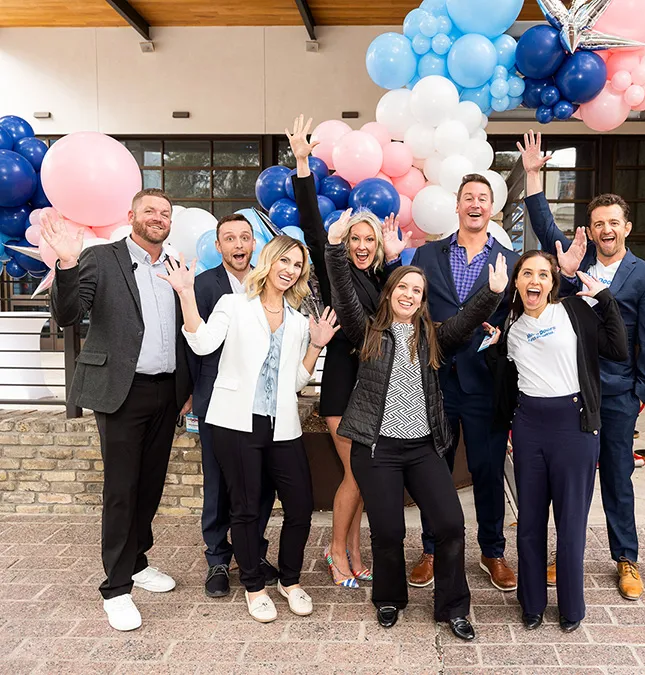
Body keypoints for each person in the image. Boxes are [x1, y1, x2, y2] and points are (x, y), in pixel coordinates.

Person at [325, 211, 509, 640]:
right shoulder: (366, 333)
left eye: (417, 290)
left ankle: (453, 608)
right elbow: (345, 295)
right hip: (378, 449)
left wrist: (492, 292)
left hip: (425, 447)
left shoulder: (432, 336)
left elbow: (465, 325)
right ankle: (389, 599)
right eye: (402, 287)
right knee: (387, 530)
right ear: (389, 294)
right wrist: (336, 250)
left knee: (449, 524)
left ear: (422, 300)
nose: (409, 295)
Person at [519, 131, 645, 601]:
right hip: (570, 393)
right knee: (568, 479)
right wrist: (532, 177)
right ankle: (564, 557)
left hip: (618, 394)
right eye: (598, 222)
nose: (605, 229)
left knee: (616, 476)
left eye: (613, 222)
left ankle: (626, 558)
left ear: (626, 227)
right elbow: (544, 227)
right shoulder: (573, 261)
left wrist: (640, 392)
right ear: (591, 228)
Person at [160, 235, 340, 623]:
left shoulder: (295, 321)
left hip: (282, 425)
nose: (290, 270)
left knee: (300, 508)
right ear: (270, 261)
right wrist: (187, 296)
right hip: (234, 422)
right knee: (244, 508)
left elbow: (295, 382)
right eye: (285, 261)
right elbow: (203, 343)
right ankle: (255, 587)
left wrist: (317, 344)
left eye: (297, 265)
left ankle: (289, 580)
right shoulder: (234, 304)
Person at [44, 188, 193, 632]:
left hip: (166, 392)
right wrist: (67, 264)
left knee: (150, 487)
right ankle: (116, 587)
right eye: (149, 210)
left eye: (165, 213)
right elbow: (68, 314)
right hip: (120, 392)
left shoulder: (175, 264)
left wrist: (186, 388)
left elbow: (186, 328)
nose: (158, 218)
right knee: (122, 490)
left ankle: (139, 561)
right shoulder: (101, 258)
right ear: (131, 216)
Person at [286, 115, 405, 588]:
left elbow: (401, 315)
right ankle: (338, 552)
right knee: (357, 474)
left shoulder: (382, 278)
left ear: (376, 245)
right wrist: (300, 162)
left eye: (367, 239)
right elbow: (314, 226)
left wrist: (395, 260)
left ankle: (354, 549)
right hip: (342, 386)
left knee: (362, 476)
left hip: (377, 389)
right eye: (354, 237)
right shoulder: (335, 266)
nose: (359, 244)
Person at [488, 250, 628, 632]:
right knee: (530, 521)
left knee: (570, 524)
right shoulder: (510, 326)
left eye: (543, 275)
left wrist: (605, 299)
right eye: (527, 274)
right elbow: (504, 381)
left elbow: (618, 349)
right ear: (517, 282)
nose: (535, 281)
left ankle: (571, 608)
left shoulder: (573, 312)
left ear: (552, 283)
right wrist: (493, 351)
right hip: (530, 426)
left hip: (574, 425)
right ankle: (531, 603)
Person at [408, 174, 521, 592]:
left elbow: (524, 315)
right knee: (432, 470)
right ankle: (432, 549)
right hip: (434, 380)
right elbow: (406, 301)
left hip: (485, 384)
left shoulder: (510, 261)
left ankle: (492, 552)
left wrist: (503, 338)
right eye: (468, 197)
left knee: (487, 470)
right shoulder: (427, 254)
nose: (475, 204)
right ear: (457, 206)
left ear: (492, 209)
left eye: (483, 198)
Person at [190, 213, 279, 598]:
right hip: (216, 402)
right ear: (218, 245)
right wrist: (190, 397)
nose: (238, 245)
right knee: (219, 483)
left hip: (262, 402)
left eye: (245, 237)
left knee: (261, 485)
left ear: (254, 243)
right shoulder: (200, 285)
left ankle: (253, 553)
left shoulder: (269, 282)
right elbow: (191, 345)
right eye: (230, 238)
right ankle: (218, 560)